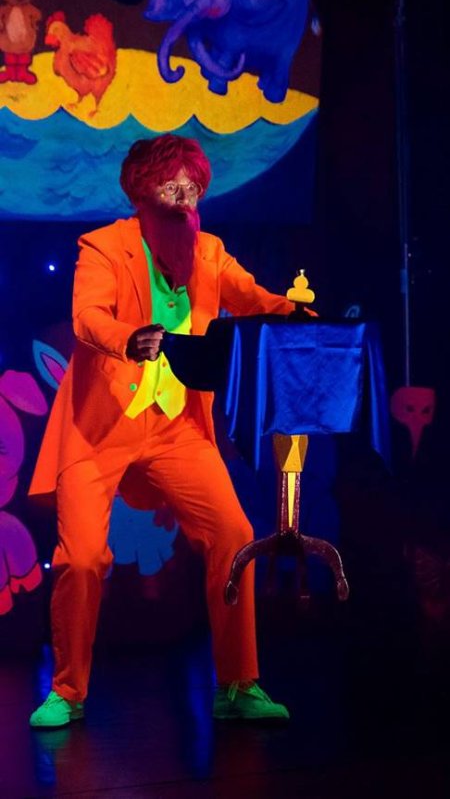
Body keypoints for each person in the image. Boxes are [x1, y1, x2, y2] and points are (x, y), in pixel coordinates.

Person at [29, 134, 295, 728]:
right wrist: (129, 338)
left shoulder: (210, 252)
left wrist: (298, 310)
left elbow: (254, 299)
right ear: (143, 192)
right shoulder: (105, 246)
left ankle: (239, 683)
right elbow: (87, 316)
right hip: (100, 425)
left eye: (194, 188)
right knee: (82, 558)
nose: (186, 198)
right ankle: (67, 690)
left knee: (234, 533)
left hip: (175, 426)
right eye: (174, 187)